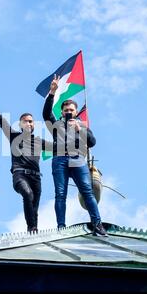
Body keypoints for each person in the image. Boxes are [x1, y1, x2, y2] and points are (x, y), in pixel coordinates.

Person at [42, 75, 107, 236]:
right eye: (66, 111)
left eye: (71, 110)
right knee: (60, 193)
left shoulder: (82, 125)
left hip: (78, 159)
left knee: (87, 191)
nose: (69, 112)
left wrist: (80, 129)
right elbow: (45, 114)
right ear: (62, 112)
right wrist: (52, 92)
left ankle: (97, 224)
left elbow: (92, 142)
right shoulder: (56, 125)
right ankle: (61, 227)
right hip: (60, 159)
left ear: (76, 111)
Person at [0, 94, 52, 233]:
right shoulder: (14, 136)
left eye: (31, 121)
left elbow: (60, 147)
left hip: (36, 178)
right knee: (27, 194)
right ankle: (32, 229)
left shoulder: (39, 141)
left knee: (34, 208)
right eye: (25, 121)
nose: (29, 123)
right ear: (20, 124)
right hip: (20, 175)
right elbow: (0, 119)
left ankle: (33, 232)